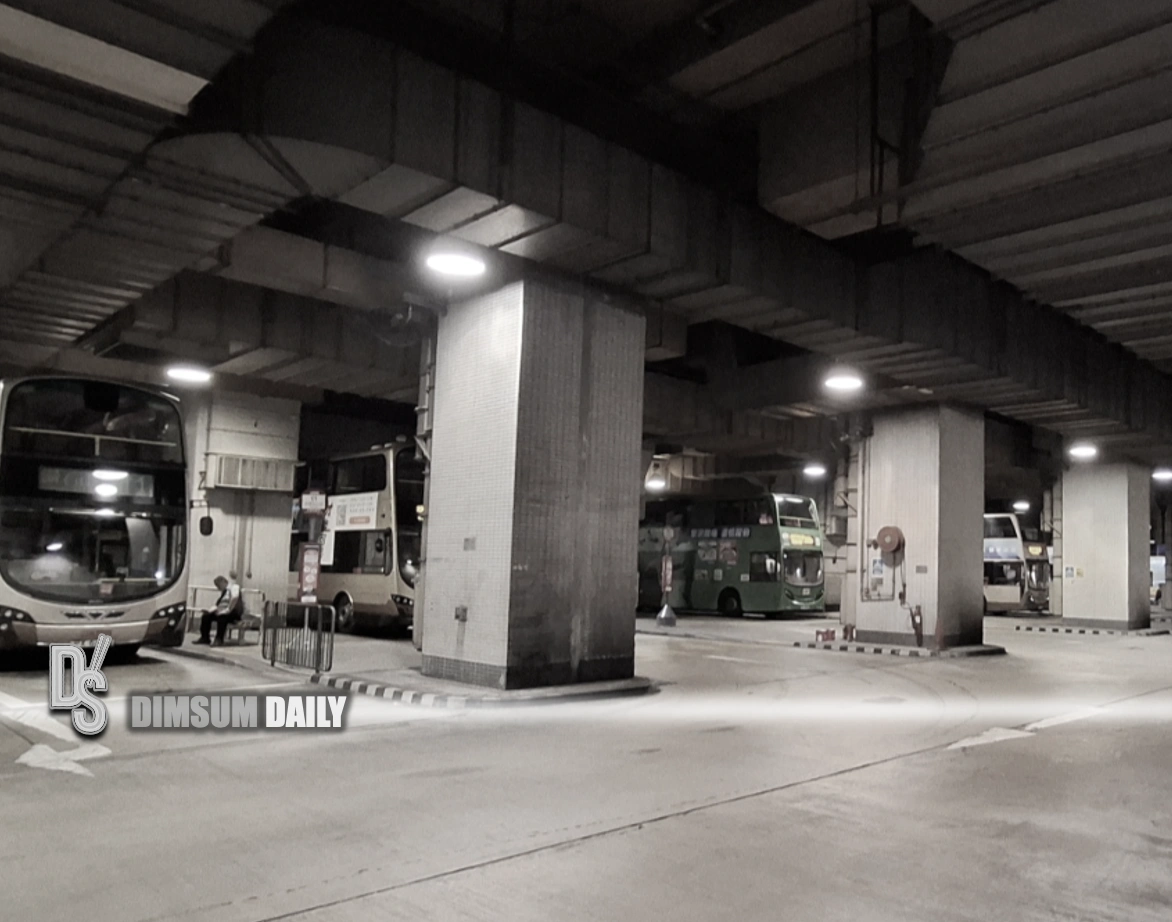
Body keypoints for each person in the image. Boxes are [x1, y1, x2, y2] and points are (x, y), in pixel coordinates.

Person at [195, 572, 243, 646]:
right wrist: (210, 611)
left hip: (233, 612)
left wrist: (228, 610)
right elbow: (217, 604)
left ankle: (219, 639)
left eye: (218, 585)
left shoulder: (234, 587)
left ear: (223, 582)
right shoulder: (224, 592)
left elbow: (235, 597)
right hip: (222, 611)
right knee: (206, 616)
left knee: (222, 618)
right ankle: (205, 637)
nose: (218, 588)